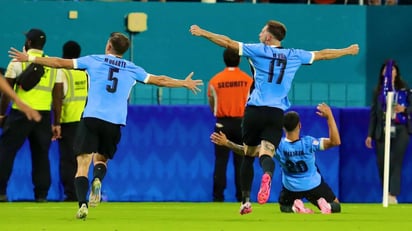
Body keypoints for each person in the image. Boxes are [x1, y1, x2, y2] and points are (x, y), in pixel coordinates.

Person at [9, 32, 203, 219]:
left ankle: (82, 205)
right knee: (101, 160)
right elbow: (159, 80)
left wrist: (30, 59)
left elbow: (59, 63)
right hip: (115, 121)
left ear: (109, 46)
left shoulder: (94, 60)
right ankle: (98, 180)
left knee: (82, 164)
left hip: (92, 118)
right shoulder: (131, 68)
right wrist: (183, 83)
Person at [190, 20, 359, 214]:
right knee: (266, 153)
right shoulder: (294, 54)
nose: (260, 34)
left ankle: (245, 201)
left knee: (248, 154)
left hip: (254, 110)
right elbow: (323, 54)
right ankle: (268, 174)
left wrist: (203, 32)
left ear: (268, 37)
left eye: (262, 31)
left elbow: (227, 42)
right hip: (276, 112)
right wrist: (347, 50)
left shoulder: (258, 50)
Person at [211, 103, 341, 214]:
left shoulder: (277, 145)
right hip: (314, 184)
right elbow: (335, 142)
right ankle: (326, 205)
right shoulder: (309, 143)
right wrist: (329, 117)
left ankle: (295, 206)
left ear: (283, 127)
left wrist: (227, 143)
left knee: (284, 206)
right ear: (299, 126)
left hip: (291, 188)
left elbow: (248, 152)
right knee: (336, 205)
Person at [0, 28, 62, 203]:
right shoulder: (52, 64)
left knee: (6, 152)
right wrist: (56, 122)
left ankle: (1, 192)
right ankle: (41, 195)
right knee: (41, 156)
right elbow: (57, 97)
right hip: (42, 116)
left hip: (20, 114)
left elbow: (6, 93)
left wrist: (1, 114)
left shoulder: (16, 62)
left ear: (28, 43)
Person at [208, 48, 252, 202]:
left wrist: (217, 113)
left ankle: (218, 197)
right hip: (242, 124)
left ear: (224, 60)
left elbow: (212, 102)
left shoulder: (215, 80)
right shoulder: (248, 80)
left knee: (221, 161)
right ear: (239, 60)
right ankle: (242, 196)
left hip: (222, 123)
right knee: (241, 160)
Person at [365, 60, 411, 204]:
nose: (389, 72)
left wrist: (404, 110)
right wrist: (370, 134)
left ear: (396, 72)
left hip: (401, 129)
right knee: (382, 162)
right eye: (386, 70)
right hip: (382, 129)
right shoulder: (378, 91)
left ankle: (392, 194)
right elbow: (374, 114)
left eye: (392, 70)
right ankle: (385, 191)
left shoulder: (405, 89)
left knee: (396, 161)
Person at [57, 41, 88, 202]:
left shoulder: (63, 72)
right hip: (84, 120)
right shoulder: (84, 73)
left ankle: (71, 194)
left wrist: (56, 122)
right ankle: (81, 193)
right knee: (82, 160)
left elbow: (59, 98)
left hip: (68, 120)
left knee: (68, 160)